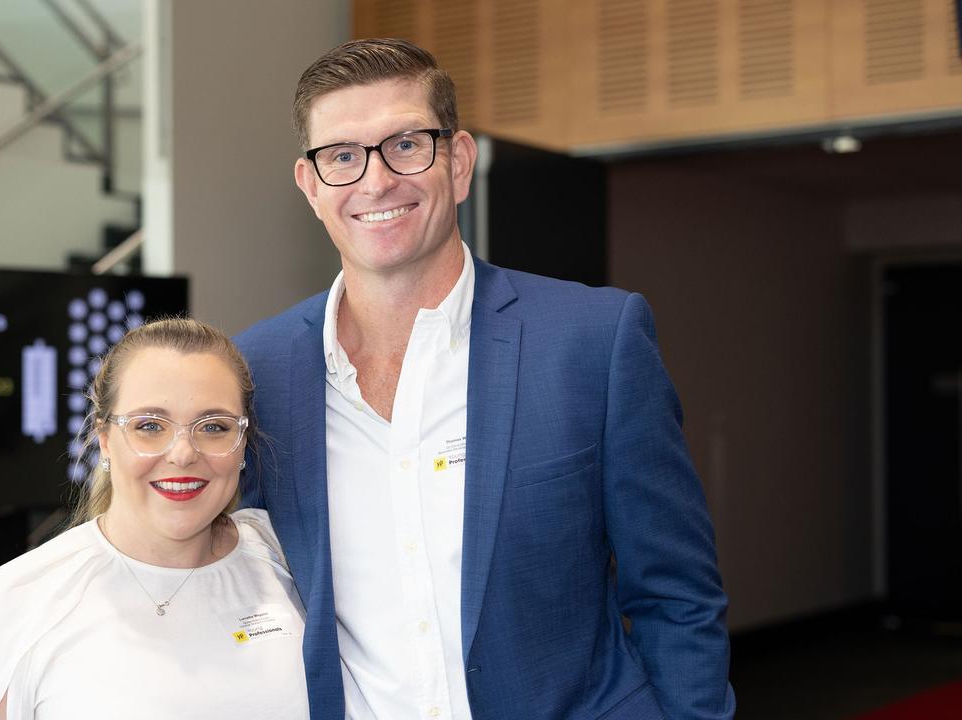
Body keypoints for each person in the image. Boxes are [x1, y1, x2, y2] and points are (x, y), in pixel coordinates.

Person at [234, 38, 736, 720]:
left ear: (460, 161)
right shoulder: (255, 373)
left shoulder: (593, 340)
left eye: (406, 143)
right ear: (311, 185)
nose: (376, 181)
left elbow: (676, 596)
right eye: (343, 156)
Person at [0, 318, 308, 719]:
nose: (183, 453)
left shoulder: (289, 559)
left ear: (242, 442)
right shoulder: (22, 599)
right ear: (105, 438)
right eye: (150, 426)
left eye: (213, 427)